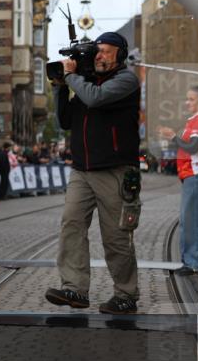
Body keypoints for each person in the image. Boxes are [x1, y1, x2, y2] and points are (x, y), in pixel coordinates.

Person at [46, 32, 141, 314]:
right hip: (82, 170)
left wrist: (72, 77)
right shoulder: (86, 84)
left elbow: (96, 99)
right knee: (71, 225)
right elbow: (65, 121)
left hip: (115, 170)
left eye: (106, 52)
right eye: (96, 51)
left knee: (115, 236)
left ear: (120, 55)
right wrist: (59, 86)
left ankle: (126, 294)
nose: (99, 56)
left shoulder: (125, 80)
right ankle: (74, 288)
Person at [158, 86, 198, 275]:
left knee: (194, 221)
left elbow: (192, 147)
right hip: (192, 176)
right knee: (189, 221)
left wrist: (173, 136)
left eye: (191, 99)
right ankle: (189, 261)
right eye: (187, 99)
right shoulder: (193, 121)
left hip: (197, 175)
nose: (187, 102)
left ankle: (195, 263)